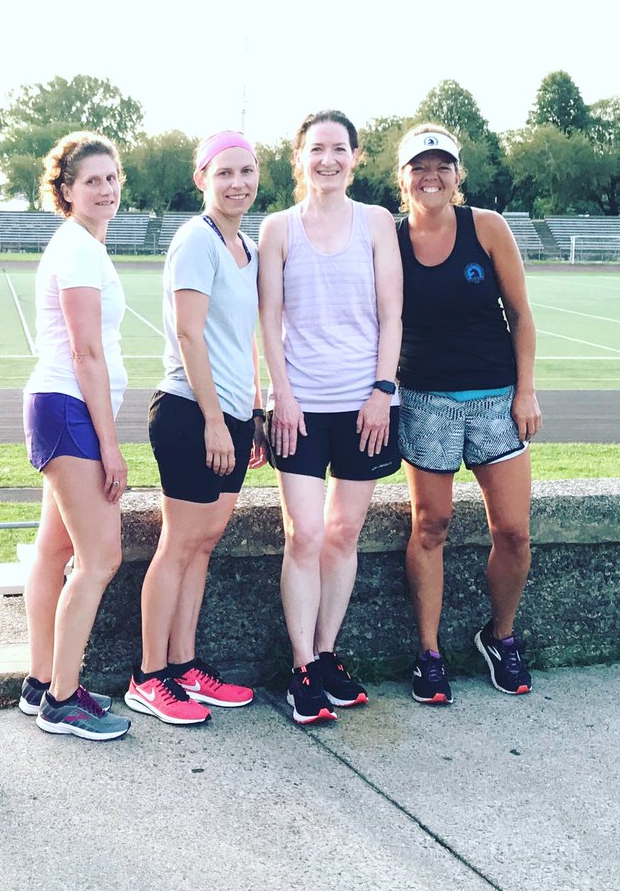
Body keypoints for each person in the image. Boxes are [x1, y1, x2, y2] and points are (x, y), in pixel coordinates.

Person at [257, 110, 403, 725]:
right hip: (301, 406)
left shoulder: (376, 222)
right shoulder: (278, 228)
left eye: (339, 149)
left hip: (365, 404)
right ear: (300, 158)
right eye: (316, 149)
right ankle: (300, 668)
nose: (328, 160)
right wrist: (282, 396)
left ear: (355, 156)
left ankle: (325, 654)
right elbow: (268, 321)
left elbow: (392, 315)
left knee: (344, 535)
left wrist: (382, 391)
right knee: (305, 535)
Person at [396, 124, 541, 701]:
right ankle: (429, 654)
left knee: (514, 532)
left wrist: (525, 392)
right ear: (403, 177)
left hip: (496, 400)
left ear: (458, 175)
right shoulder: (389, 237)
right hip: (425, 401)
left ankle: (500, 636)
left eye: (442, 166)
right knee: (430, 526)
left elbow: (521, 314)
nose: (431, 176)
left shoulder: (487, 227)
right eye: (419, 167)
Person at [127, 132, 265, 725]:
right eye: (224, 172)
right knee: (179, 544)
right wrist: (213, 419)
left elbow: (242, 339)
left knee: (204, 544)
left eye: (247, 171)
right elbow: (189, 334)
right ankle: (148, 676)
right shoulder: (195, 240)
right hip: (191, 412)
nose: (237, 183)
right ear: (202, 179)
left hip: (233, 416)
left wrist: (251, 413)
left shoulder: (247, 247)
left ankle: (184, 667)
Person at [20, 132, 132, 741]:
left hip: (60, 406)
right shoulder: (79, 250)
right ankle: (62, 699)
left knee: (55, 549)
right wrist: (111, 446)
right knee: (100, 558)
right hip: (69, 409)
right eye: (92, 180)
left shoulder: (82, 245)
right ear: (66, 190)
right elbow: (86, 353)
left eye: (111, 178)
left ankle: (43, 680)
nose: (106, 189)